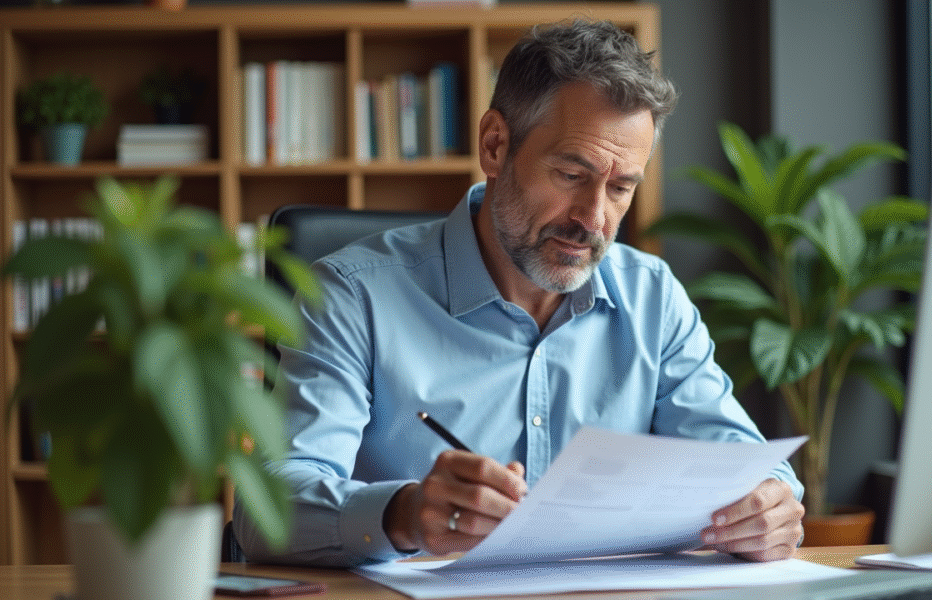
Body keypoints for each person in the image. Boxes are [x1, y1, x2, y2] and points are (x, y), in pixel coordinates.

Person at [233, 19, 804, 567]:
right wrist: (403, 514)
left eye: (621, 187)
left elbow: (750, 468)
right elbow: (266, 513)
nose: (594, 218)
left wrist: (769, 505)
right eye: (572, 175)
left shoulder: (652, 297)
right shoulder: (352, 295)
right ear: (495, 145)